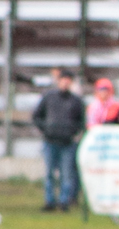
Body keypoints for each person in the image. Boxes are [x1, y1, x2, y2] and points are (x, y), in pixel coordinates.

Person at [33, 69, 87, 212]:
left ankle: (64, 202)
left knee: (66, 173)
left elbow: (81, 121)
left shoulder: (76, 101)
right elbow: (37, 115)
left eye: (68, 80)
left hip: (67, 143)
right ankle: (49, 201)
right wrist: (46, 129)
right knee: (49, 173)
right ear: (59, 81)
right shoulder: (49, 97)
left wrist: (72, 132)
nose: (65, 83)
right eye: (63, 79)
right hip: (50, 141)